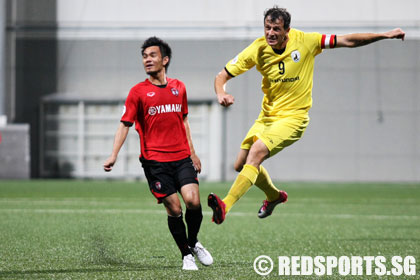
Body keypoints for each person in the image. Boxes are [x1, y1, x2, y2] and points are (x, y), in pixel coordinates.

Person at [208, 6, 405, 225]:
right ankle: (275, 196)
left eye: (276, 29)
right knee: (241, 164)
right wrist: (221, 92)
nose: (270, 33)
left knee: (256, 153)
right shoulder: (258, 48)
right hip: (267, 117)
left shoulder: (306, 41)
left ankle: (225, 205)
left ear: (287, 31)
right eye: (267, 28)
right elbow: (222, 75)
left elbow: (348, 40)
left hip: (294, 118)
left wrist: (384, 35)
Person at [103, 37, 213, 270]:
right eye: (144, 56)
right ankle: (186, 255)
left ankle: (193, 242)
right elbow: (125, 124)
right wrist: (114, 154)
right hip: (155, 162)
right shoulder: (137, 92)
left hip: (182, 157)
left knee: (193, 201)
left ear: (165, 60)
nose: (147, 60)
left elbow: (183, 120)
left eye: (152, 55)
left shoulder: (179, 87)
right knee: (174, 208)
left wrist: (193, 153)